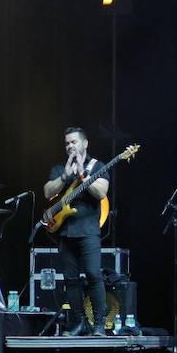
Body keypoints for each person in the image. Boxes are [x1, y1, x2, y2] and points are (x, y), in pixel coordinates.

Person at [42, 127, 109, 336]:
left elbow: (101, 193)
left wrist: (83, 174)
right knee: (70, 279)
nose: (70, 146)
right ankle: (78, 323)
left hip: (88, 231)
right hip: (65, 231)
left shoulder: (97, 165)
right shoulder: (60, 168)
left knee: (92, 275)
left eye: (74, 142)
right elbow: (47, 192)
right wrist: (65, 176)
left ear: (85, 143)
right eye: (67, 143)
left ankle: (99, 325)